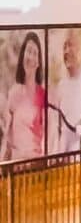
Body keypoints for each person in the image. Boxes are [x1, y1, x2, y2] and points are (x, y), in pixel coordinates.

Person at [2, 33, 44, 161]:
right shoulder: (13, 93)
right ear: (23, 56)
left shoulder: (43, 95)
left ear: (38, 62)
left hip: (36, 167)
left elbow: (49, 138)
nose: (30, 57)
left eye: (34, 52)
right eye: (28, 51)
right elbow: (7, 138)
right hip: (16, 167)